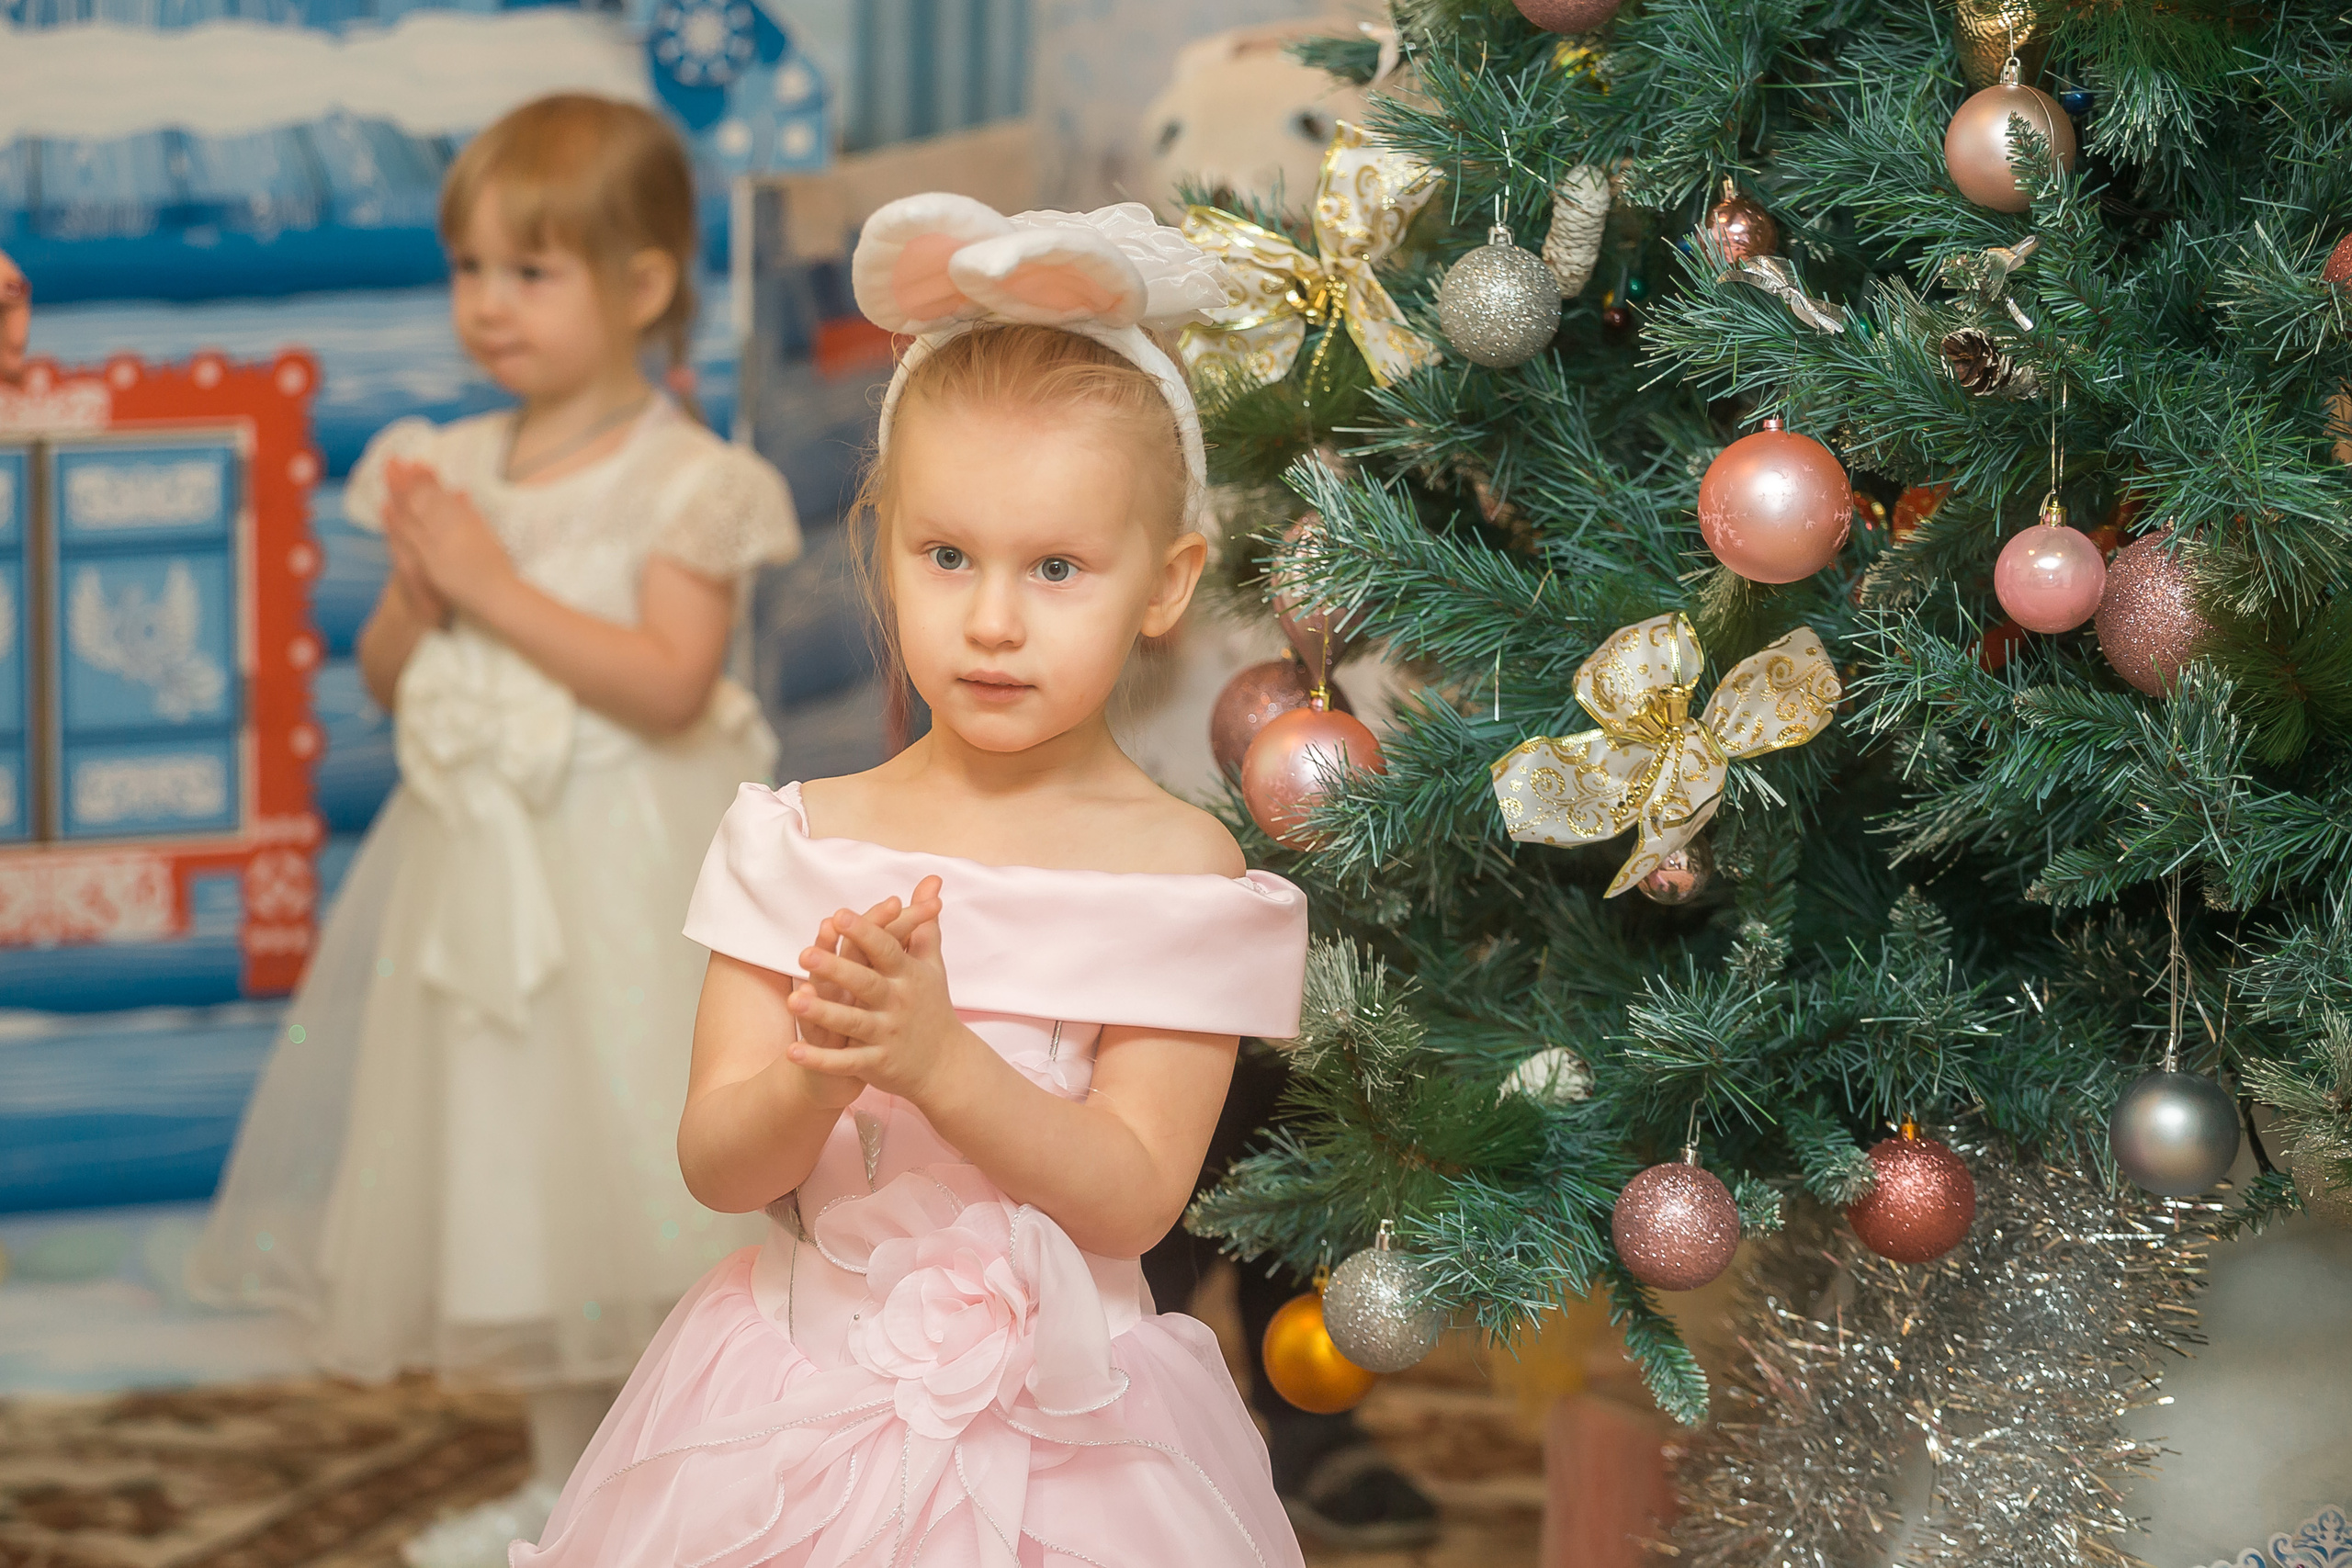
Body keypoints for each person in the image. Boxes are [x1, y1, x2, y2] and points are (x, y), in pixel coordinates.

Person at [509, 194, 1311, 1568]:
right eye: (947, 557)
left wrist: (939, 1061)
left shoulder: (1183, 873)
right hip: (790, 1406)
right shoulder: (804, 840)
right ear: (884, 546)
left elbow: (1132, 1201)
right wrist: (822, 1073)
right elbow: (717, 1164)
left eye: (1057, 568)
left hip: (1077, 1438)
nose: (993, 620)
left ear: (1167, 583)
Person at [186, 94, 800, 1567]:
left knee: (640, 1173)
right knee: (513, 1167)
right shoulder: (445, 466)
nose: (486, 306)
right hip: (473, 886)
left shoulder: (685, 481)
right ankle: (557, 1484)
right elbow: (393, 674)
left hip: (620, 883)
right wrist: (420, 584)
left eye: (530, 273)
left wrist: (491, 578)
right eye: (468, 270)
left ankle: (691, 1484)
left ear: (642, 287)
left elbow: (667, 682)